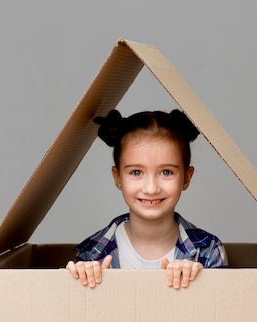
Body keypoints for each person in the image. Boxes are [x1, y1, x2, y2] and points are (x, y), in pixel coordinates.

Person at [66, 109, 228, 289]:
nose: (151, 188)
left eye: (166, 172)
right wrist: (83, 285)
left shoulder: (207, 251)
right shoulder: (91, 255)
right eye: (136, 172)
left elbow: (220, 312)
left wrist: (198, 285)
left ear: (186, 178)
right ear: (118, 177)